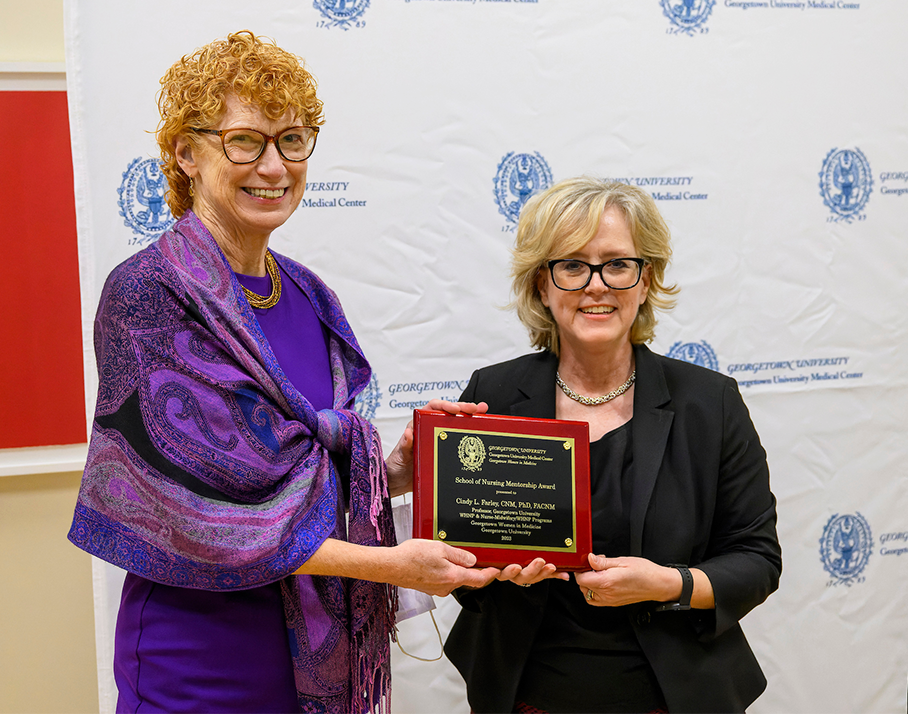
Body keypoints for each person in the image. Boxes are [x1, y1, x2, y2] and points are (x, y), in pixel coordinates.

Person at [67, 31, 499, 714]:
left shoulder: (308, 294)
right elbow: (200, 516)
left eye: (292, 141)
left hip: (313, 658)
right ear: (186, 152)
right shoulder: (149, 292)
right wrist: (390, 565)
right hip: (199, 658)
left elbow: (293, 482)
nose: (273, 166)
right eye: (245, 141)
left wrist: (394, 471)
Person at [444, 177, 782, 714]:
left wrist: (668, 583)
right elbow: (458, 557)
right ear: (541, 285)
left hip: (675, 696)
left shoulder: (708, 402)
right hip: (525, 696)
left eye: (617, 264)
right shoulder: (494, 395)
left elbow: (757, 559)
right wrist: (489, 572)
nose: (595, 285)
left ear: (646, 281)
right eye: (572, 265)